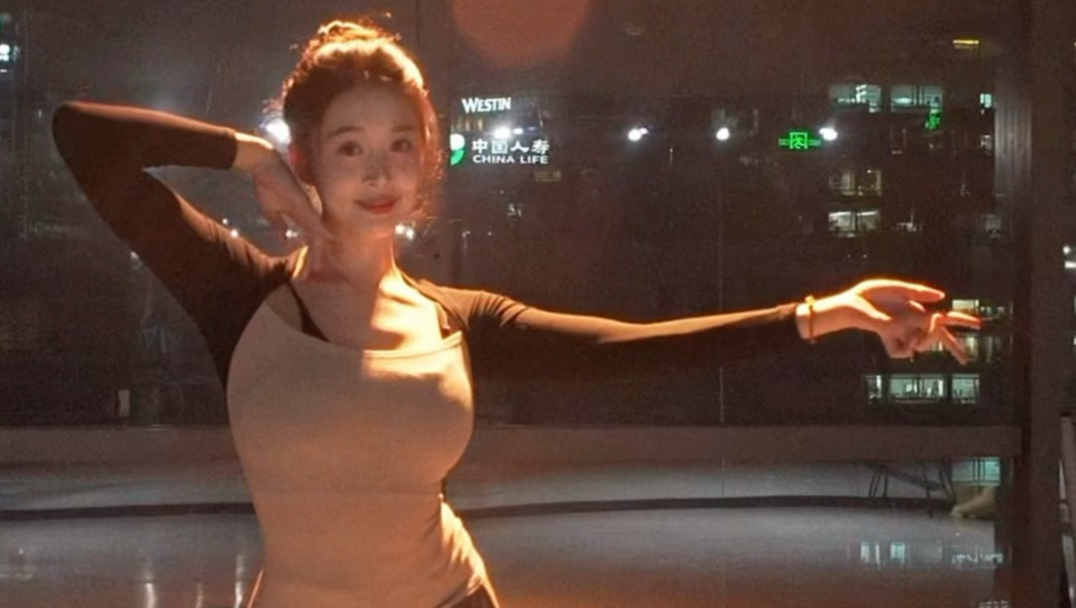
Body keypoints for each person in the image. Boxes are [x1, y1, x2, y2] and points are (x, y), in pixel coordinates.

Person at [51, 17, 981, 608]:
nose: (378, 171)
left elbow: (632, 350)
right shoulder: (242, 297)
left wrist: (830, 312)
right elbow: (81, 137)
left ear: (425, 162)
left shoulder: (457, 322)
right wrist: (248, 155)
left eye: (400, 145)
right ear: (310, 163)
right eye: (349, 147)